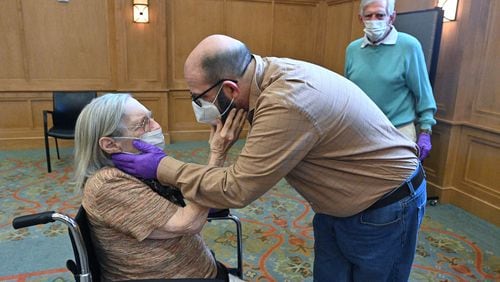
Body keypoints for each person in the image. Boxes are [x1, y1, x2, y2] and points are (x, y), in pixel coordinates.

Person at [112, 35, 427, 281]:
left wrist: (163, 166)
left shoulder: (286, 101)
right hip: (338, 205)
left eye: (201, 98)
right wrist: (218, 150)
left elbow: (238, 188)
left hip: (386, 206)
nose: (199, 107)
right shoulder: (263, 76)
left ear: (231, 89)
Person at [74, 93, 245, 281]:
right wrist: (217, 154)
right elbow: (190, 222)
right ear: (110, 144)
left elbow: (189, 195)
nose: (156, 127)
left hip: (198, 269)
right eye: (143, 123)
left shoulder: (139, 166)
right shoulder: (108, 185)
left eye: (151, 117)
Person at [344, 0, 437, 161]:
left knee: (395, 186)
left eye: (380, 15)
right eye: (369, 15)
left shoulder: (409, 46)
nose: (374, 20)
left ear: (392, 17)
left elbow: (423, 93)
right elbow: (348, 92)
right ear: (361, 19)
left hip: (398, 132)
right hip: (361, 131)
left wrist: (426, 131)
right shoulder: (353, 49)